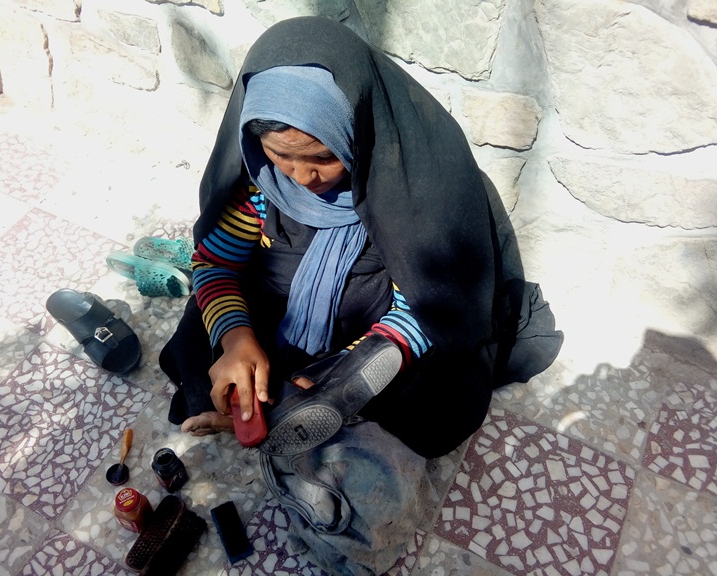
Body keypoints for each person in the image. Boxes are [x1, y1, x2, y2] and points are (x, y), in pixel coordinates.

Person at [159, 16, 554, 460]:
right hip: (278, 308)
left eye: (324, 156)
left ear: (357, 129)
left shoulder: (412, 191)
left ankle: (318, 395)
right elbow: (216, 265)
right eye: (281, 155)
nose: (302, 177)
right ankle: (279, 403)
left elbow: (428, 306)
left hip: (379, 321)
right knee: (202, 346)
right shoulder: (260, 181)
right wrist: (236, 340)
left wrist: (342, 372)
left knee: (441, 396)